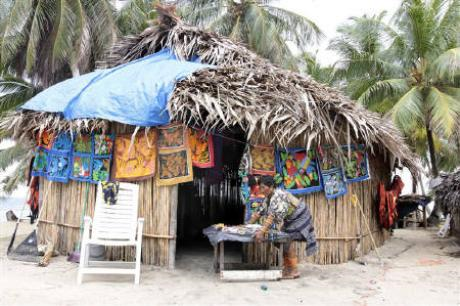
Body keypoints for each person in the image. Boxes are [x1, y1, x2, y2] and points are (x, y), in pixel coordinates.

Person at [248, 175, 318, 279]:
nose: (261, 190)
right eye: (260, 188)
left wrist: (261, 231)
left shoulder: (278, 195)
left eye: (263, 187)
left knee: (286, 240)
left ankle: (294, 270)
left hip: (299, 216)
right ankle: (287, 268)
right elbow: (258, 213)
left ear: (271, 186)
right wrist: (247, 226)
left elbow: (272, 216)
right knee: (280, 241)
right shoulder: (268, 198)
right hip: (290, 219)